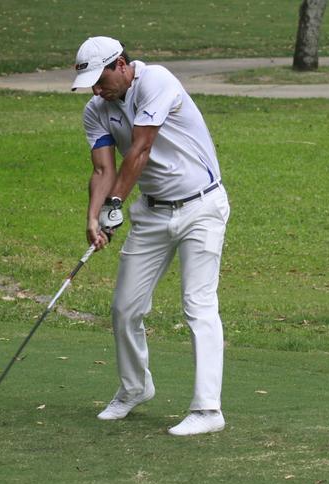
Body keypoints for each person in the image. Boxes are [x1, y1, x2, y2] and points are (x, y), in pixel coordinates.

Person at [71, 36, 230, 436]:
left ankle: (208, 409)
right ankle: (134, 388)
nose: (95, 89)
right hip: (153, 214)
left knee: (198, 304)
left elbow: (140, 149)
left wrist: (116, 204)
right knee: (125, 307)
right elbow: (103, 170)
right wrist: (94, 217)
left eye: (100, 79)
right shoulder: (96, 111)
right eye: (89, 83)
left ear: (121, 64)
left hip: (202, 207)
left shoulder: (156, 80)